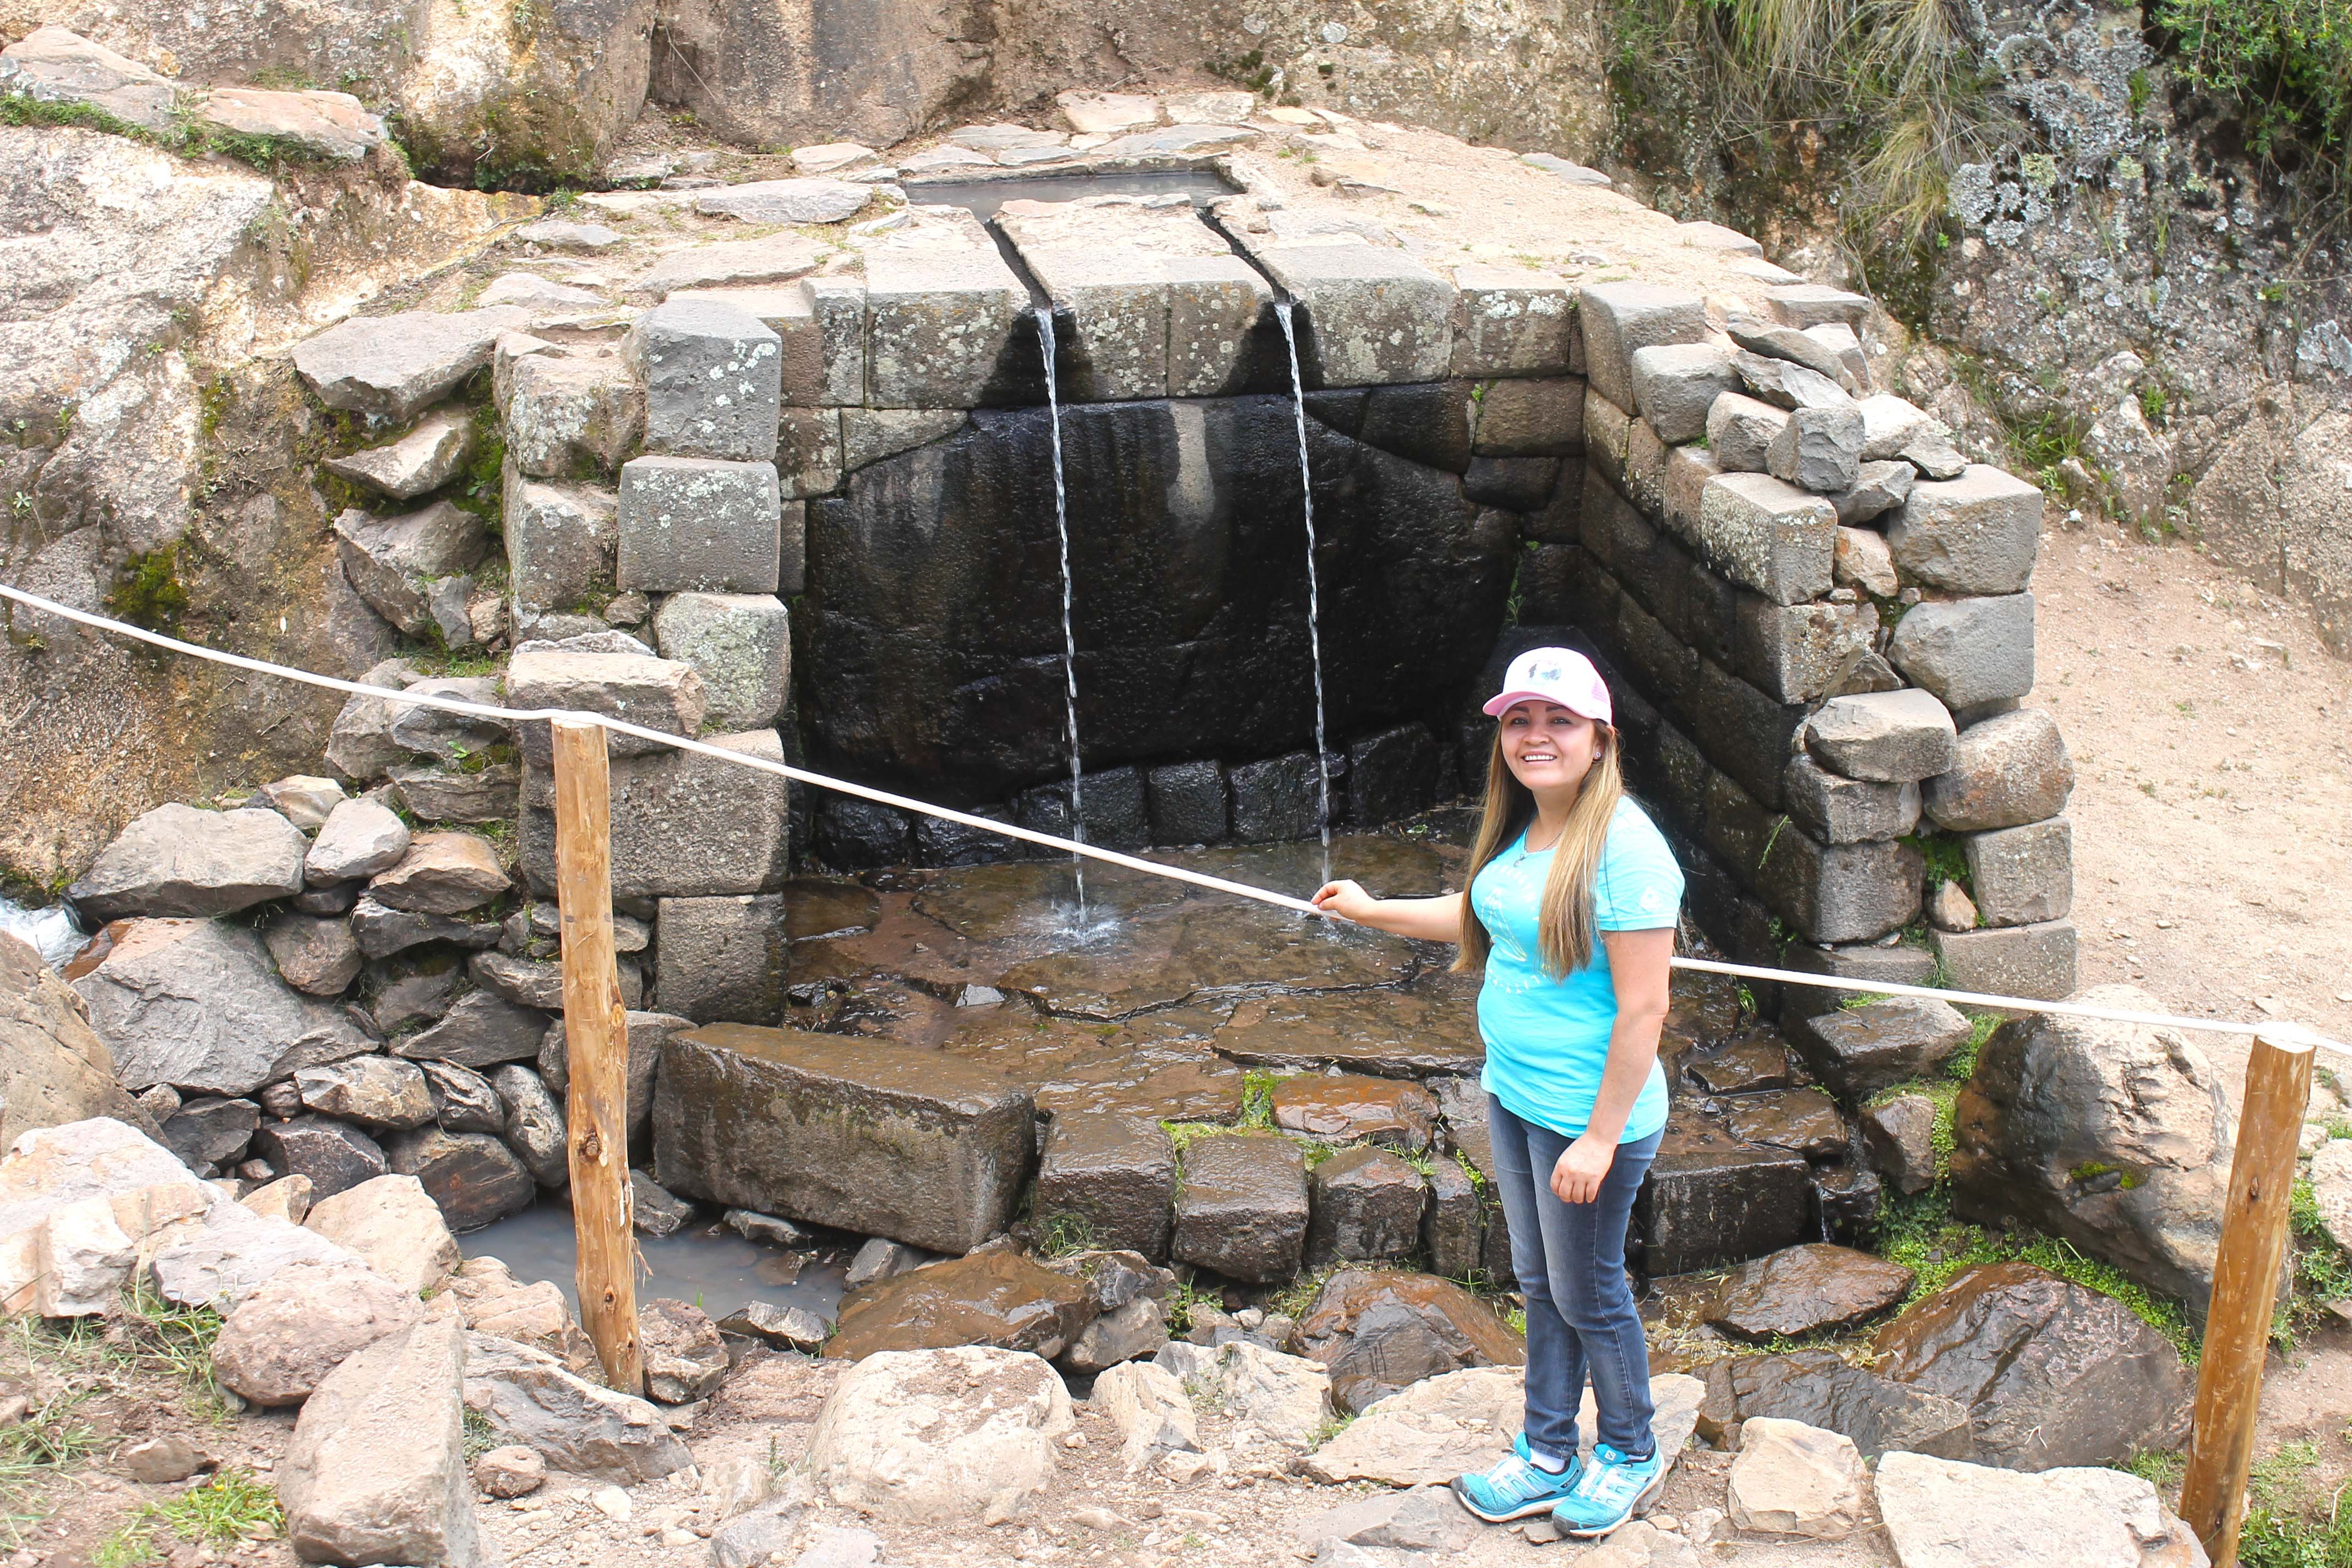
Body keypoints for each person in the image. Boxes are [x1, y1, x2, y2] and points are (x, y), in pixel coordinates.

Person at [1311, 646, 1680, 1539]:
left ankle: (1629, 1451)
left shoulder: (1628, 850)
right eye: (1520, 720)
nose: (1536, 736)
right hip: (1515, 1096)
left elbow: (1644, 1010)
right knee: (1539, 1281)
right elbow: (1477, 914)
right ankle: (1548, 1453)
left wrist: (1598, 1138)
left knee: (1588, 1290)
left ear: (1600, 737)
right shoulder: (1530, 828)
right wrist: (1369, 908)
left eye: (1558, 720)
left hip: (1587, 1118)